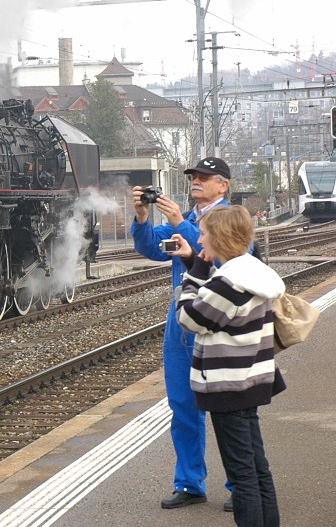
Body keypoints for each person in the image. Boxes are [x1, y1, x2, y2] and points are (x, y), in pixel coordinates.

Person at [167, 205, 284, 527]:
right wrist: (197, 262)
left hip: (228, 386)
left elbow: (189, 318)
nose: (200, 240)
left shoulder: (229, 283)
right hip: (253, 379)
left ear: (219, 237)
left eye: (203, 234)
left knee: (242, 474)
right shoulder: (253, 272)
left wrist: (192, 275)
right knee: (258, 469)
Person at [130, 156, 232, 510]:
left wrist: (178, 222)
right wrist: (143, 219)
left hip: (220, 326)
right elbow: (148, 248)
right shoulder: (188, 220)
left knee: (228, 409)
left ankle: (240, 484)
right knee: (182, 407)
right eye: (194, 176)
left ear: (224, 185)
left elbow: (222, 259)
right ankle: (190, 483)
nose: (196, 181)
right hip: (183, 326)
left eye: (205, 177)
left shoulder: (232, 220)